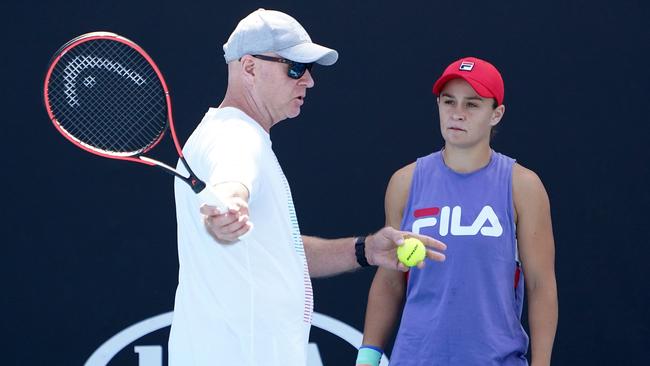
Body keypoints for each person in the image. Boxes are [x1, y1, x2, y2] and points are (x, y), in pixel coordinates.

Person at [167, 8, 447, 366]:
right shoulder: (235, 137)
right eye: (294, 68)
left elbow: (278, 251)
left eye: (309, 69)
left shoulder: (228, 133)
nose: (308, 81)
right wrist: (231, 204)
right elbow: (231, 182)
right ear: (249, 68)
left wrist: (366, 250)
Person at [355, 57, 558, 366]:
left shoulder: (523, 186)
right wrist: (367, 358)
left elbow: (540, 285)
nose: (457, 114)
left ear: (496, 114)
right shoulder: (405, 182)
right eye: (449, 101)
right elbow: (389, 280)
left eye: (472, 105)